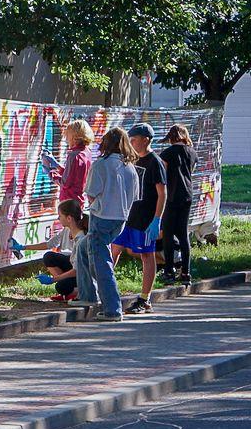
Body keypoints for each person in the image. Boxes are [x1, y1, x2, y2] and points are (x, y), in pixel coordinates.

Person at [82, 126, 139, 321]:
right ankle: (105, 299)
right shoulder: (130, 167)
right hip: (121, 218)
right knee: (97, 261)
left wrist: (96, 205)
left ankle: (112, 308)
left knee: (100, 263)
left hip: (102, 216)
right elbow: (134, 196)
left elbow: (91, 193)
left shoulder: (101, 165)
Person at [111, 122, 166, 315]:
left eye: (134, 140)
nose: (131, 143)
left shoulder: (155, 162)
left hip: (145, 219)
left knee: (146, 255)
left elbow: (162, 194)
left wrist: (157, 220)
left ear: (146, 140)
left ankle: (145, 299)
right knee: (114, 250)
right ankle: (106, 289)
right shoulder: (132, 160)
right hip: (127, 216)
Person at [11, 200, 89, 302]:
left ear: (69, 218)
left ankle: (79, 292)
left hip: (83, 275)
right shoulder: (67, 230)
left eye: (60, 216)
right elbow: (49, 244)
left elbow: (77, 270)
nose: (58, 218)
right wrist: (22, 247)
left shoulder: (81, 240)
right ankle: (69, 290)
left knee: (61, 286)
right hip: (75, 268)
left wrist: (52, 280)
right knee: (49, 257)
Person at [160, 124, 198, 284]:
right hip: (187, 196)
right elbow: (191, 171)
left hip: (172, 195)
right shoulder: (192, 152)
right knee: (183, 234)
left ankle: (169, 271)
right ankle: (186, 273)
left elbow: (163, 175)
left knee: (168, 234)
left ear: (171, 138)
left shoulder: (167, 153)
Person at [41, 119, 94, 205]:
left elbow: (65, 183)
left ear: (74, 137)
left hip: (68, 201)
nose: (66, 138)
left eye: (68, 135)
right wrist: (57, 165)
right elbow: (75, 175)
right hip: (79, 200)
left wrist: (50, 173)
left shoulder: (74, 155)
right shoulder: (87, 152)